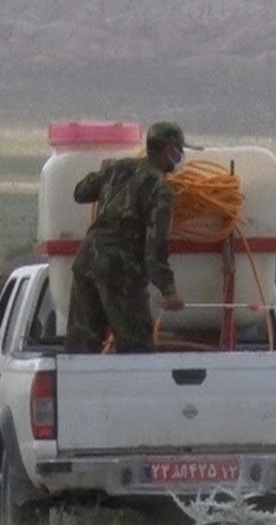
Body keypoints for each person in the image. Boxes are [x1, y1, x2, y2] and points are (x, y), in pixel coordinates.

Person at [64, 120, 192, 353]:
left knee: (81, 345)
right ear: (168, 151)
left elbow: (80, 193)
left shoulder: (119, 168)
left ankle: (76, 388)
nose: (180, 156)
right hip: (119, 268)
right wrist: (169, 291)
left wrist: (103, 172)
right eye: (179, 151)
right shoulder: (160, 188)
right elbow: (155, 248)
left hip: (86, 260)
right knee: (137, 348)